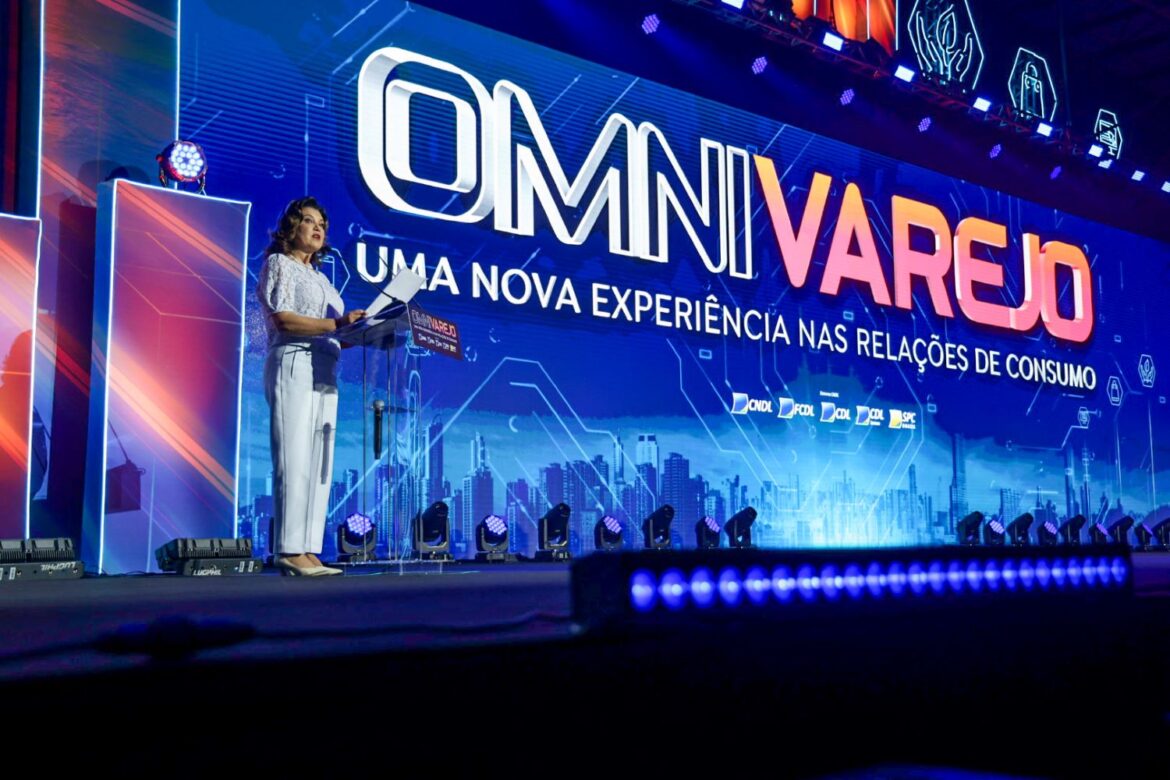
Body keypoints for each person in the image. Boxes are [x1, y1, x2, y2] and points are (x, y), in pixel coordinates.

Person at [257, 197, 365, 576]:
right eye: (309, 220)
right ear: (291, 227)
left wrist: (365, 333)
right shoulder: (280, 264)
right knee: (295, 456)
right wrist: (338, 325)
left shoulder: (322, 279)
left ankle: (308, 548)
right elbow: (283, 319)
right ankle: (288, 550)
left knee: (320, 463)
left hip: (325, 370)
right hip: (294, 361)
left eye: (323, 224)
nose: (318, 228)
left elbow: (335, 332)